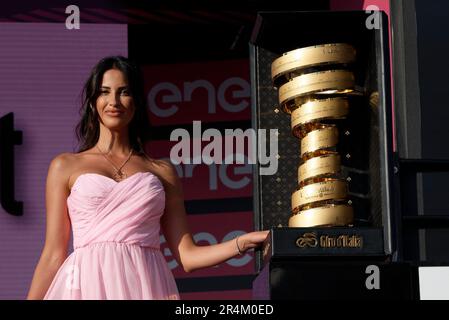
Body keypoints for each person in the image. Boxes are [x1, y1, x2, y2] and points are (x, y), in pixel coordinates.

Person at [26, 56, 269, 300]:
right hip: (85, 287)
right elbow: (53, 255)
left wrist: (243, 242)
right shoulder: (65, 165)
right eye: (104, 92)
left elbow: (187, 256)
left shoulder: (162, 171)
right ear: (93, 101)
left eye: (124, 92)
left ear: (137, 101)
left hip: (146, 287)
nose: (113, 102)